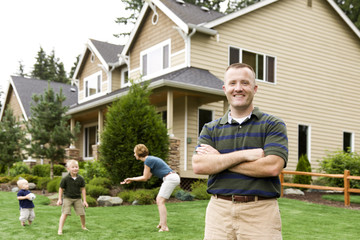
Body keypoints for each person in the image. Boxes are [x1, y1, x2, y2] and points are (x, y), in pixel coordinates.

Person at [192, 63, 288, 240]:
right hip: (218, 212)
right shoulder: (211, 128)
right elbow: (199, 165)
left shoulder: (273, 124)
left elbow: (272, 167)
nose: (238, 88)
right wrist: (244, 155)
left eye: (245, 83)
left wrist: (219, 160)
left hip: (260, 213)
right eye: (232, 83)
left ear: (254, 88)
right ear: (225, 88)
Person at [121, 144, 180, 232]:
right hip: (171, 177)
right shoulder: (150, 160)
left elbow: (144, 177)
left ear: (138, 153)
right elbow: (147, 177)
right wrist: (131, 179)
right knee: (159, 200)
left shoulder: (148, 161)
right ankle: (161, 223)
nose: (134, 155)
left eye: (134, 153)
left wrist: (132, 179)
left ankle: (164, 227)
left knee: (160, 201)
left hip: (170, 178)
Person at [57, 159, 88, 235]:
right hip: (67, 198)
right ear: (68, 169)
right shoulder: (65, 179)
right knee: (65, 213)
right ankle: (60, 229)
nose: (75, 168)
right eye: (73, 167)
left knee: (82, 213)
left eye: (76, 167)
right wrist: (59, 199)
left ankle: (83, 226)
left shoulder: (80, 178)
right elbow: (61, 188)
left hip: (78, 198)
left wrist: (84, 201)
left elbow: (83, 189)